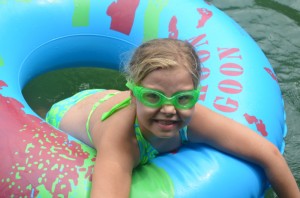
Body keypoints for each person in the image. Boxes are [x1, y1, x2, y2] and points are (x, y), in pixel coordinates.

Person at [46, 38, 299, 197]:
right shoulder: (122, 141)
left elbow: (270, 155)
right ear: (133, 95)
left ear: (195, 95)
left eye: (183, 98)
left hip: (107, 100)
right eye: (153, 96)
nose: (169, 109)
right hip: (69, 114)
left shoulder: (192, 118)